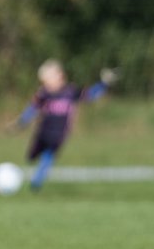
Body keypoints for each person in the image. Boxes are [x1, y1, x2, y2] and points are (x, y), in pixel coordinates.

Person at [12, 60, 115, 191]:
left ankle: (36, 182)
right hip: (44, 130)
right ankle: (32, 161)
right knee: (32, 155)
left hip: (59, 132)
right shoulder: (43, 93)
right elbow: (33, 108)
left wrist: (104, 83)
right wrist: (22, 121)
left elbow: (90, 94)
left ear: (60, 76)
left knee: (48, 155)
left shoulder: (70, 91)